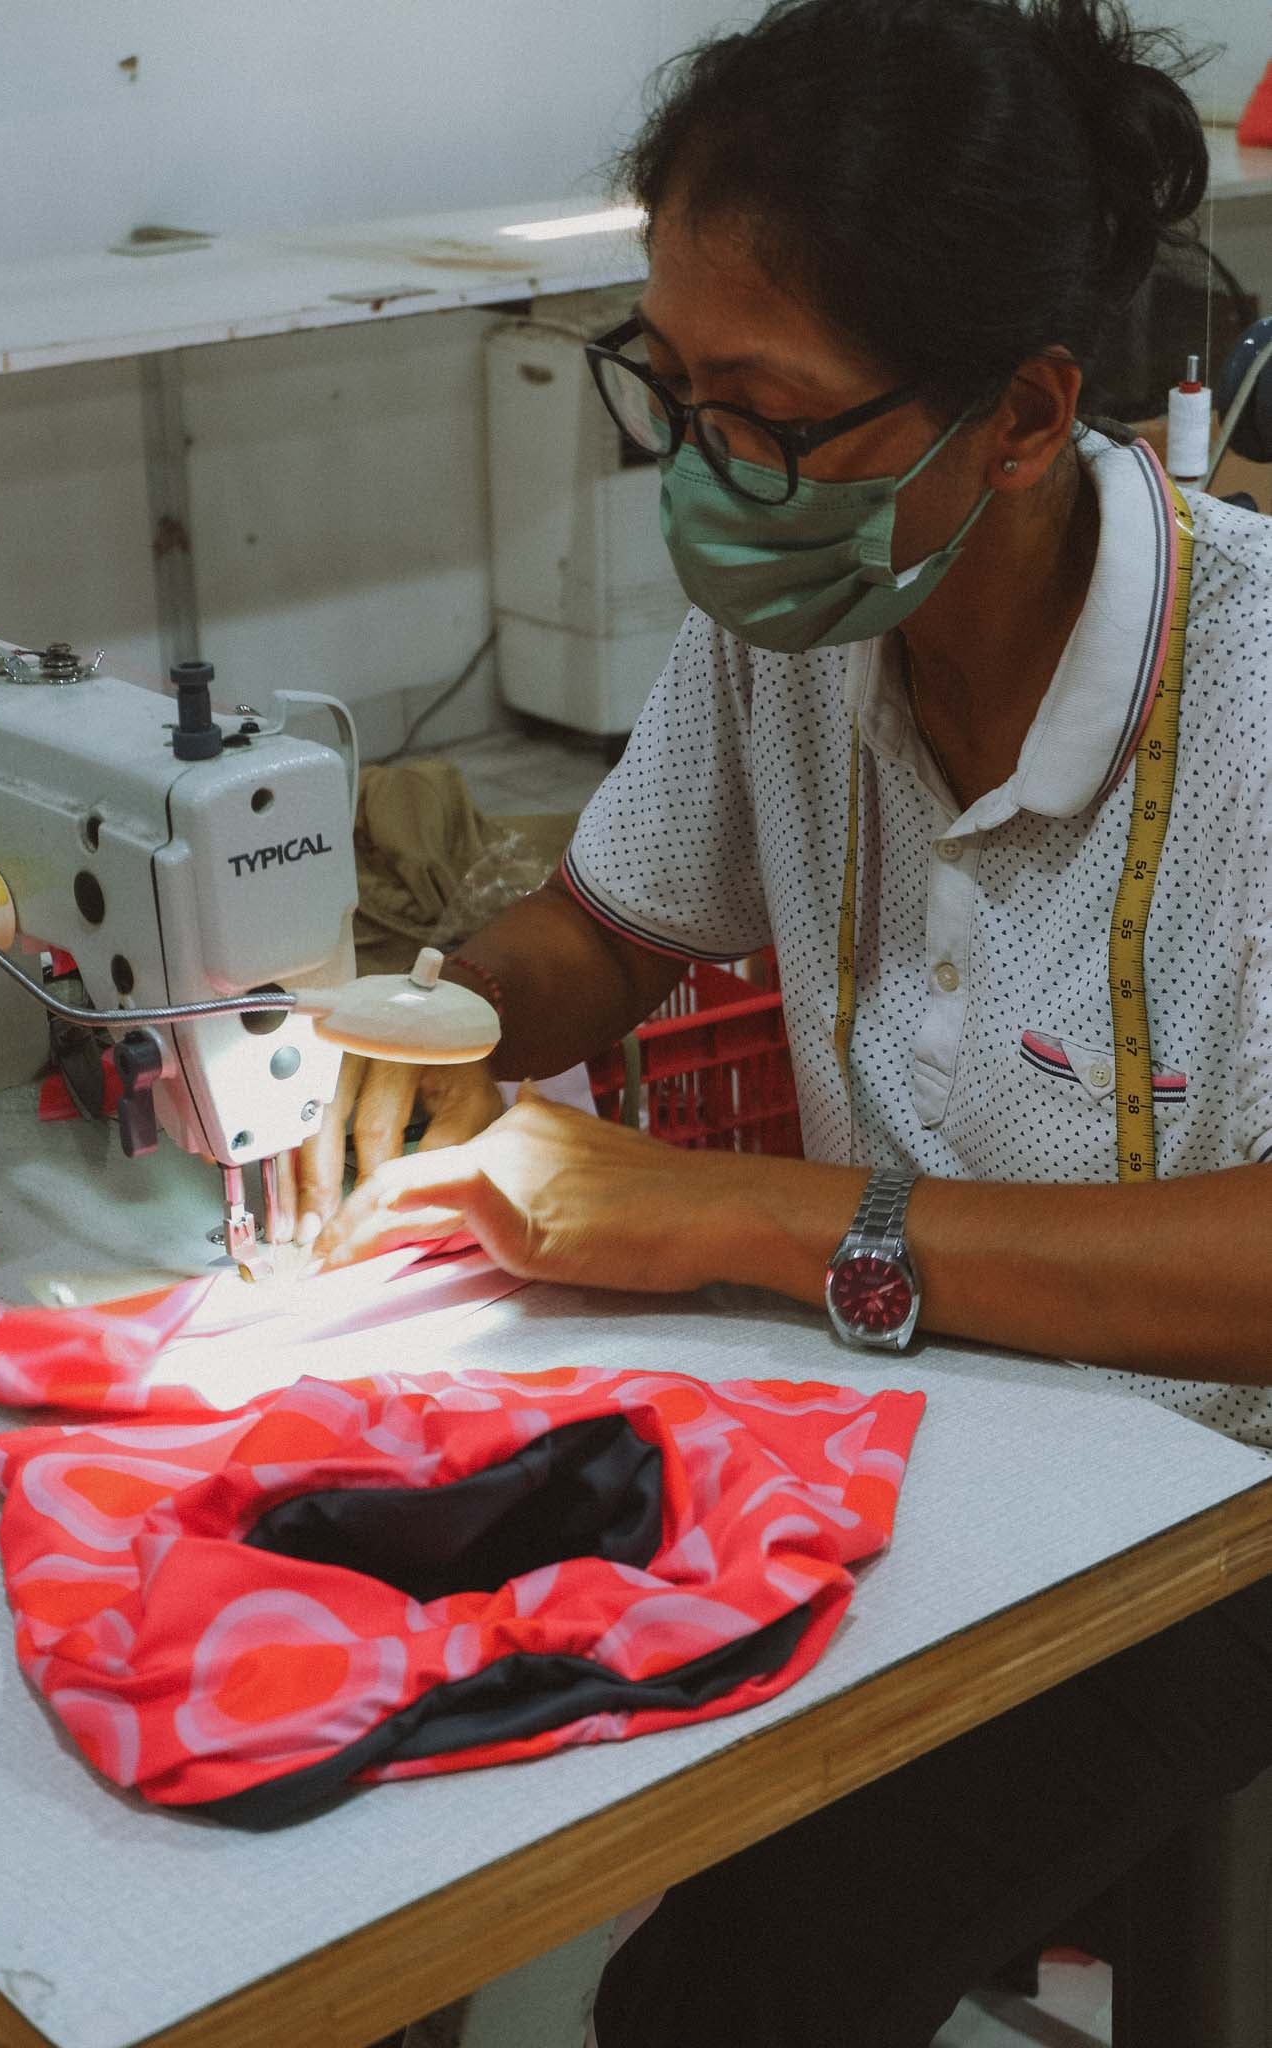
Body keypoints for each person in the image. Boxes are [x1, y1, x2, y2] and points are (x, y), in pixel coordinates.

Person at [294, 0, 1272, 2037]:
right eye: (674, 391)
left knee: (717, 2002)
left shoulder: (1253, 705)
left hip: (1197, 1523)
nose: (708, 473)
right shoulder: (807, 613)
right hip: (883, 1426)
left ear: (1017, 414)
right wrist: (420, 1017)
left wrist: (723, 1215)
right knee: (364, 1789)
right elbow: (606, 923)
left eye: (764, 412)